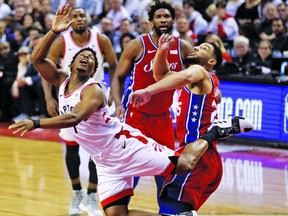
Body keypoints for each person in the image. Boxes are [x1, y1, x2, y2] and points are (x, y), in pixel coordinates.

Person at [8, 5, 253, 216]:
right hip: (104, 160)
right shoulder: (62, 80)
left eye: (91, 58)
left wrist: (36, 122)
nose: (86, 58)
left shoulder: (93, 89)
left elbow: (75, 117)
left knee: (183, 164)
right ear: (69, 63)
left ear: (95, 68)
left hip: (122, 144)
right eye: (81, 56)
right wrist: (53, 31)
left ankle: (215, 131)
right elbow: (37, 60)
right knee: (116, 213)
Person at [129, 33, 244, 215]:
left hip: (198, 155)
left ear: (212, 62)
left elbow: (185, 75)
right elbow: (160, 74)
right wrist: (162, 51)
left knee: (171, 210)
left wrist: (148, 91)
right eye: (198, 46)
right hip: (199, 155)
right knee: (171, 210)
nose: (197, 47)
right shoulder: (194, 80)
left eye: (204, 48)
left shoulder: (201, 72)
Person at [111, 1, 193, 205]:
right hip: (136, 118)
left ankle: (166, 211)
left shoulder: (183, 47)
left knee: (166, 173)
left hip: (163, 118)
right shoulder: (137, 45)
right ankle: (119, 210)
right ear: (151, 21)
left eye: (167, 16)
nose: (163, 20)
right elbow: (118, 77)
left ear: (173, 20)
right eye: (159, 17)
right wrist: (118, 104)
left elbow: (200, 74)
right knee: (132, 173)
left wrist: (214, 88)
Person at [42, 7, 118, 216]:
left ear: (88, 19)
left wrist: (114, 94)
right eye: (74, 16)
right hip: (69, 96)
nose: (78, 19)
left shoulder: (100, 39)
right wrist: (49, 97)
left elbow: (115, 66)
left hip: (95, 98)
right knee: (72, 148)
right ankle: (77, 193)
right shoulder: (61, 41)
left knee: (97, 151)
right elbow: (45, 67)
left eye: (82, 15)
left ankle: (93, 195)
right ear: (70, 21)